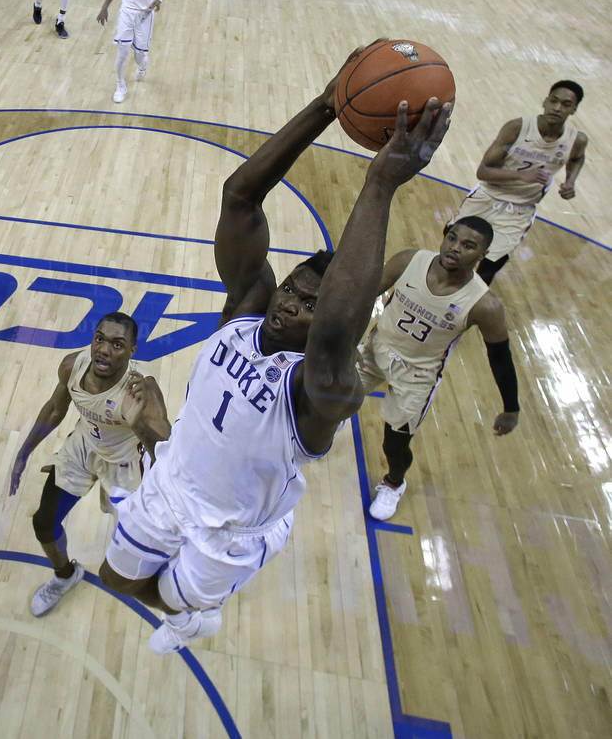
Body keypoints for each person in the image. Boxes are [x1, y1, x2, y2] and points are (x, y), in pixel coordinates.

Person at [97, 45, 453, 655]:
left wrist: (381, 184)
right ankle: (189, 603)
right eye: (291, 288)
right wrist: (325, 104)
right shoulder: (247, 311)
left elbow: (341, 327)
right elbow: (239, 198)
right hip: (170, 486)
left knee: (183, 601)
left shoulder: (319, 390)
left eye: (309, 304)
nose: (289, 302)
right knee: (115, 580)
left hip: (231, 532)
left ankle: (195, 613)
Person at [9, 313, 171, 616]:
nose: (104, 350)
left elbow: (168, 450)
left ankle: (171, 588)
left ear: (132, 352)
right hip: (84, 447)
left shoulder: (142, 390)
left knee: (135, 546)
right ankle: (65, 575)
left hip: (126, 467)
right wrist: (24, 452)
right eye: (100, 339)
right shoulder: (74, 365)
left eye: (117, 344)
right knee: (44, 523)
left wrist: (140, 423)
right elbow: (56, 408)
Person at [359, 216, 520, 521]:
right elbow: (366, 295)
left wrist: (511, 408)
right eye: (452, 238)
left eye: (468, 246)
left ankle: (394, 482)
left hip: (417, 376)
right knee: (331, 397)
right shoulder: (410, 260)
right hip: (375, 348)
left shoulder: (485, 305)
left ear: (482, 255)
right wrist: (349, 339)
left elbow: (500, 357)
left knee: (394, 443)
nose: (455, 248)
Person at [454, 80, 588, 284]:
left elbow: (577, 158)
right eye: (554, 101)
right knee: (456, 255)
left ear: (574, 109)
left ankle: (465, 308)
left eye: (566, 104)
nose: (557, 108)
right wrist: (521, 176)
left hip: (520, 209)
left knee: (489, 269)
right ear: (545, 101)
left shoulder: (576, 139)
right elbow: (483, 171)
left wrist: (571, 181)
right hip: (488, 197)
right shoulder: (517, 128)